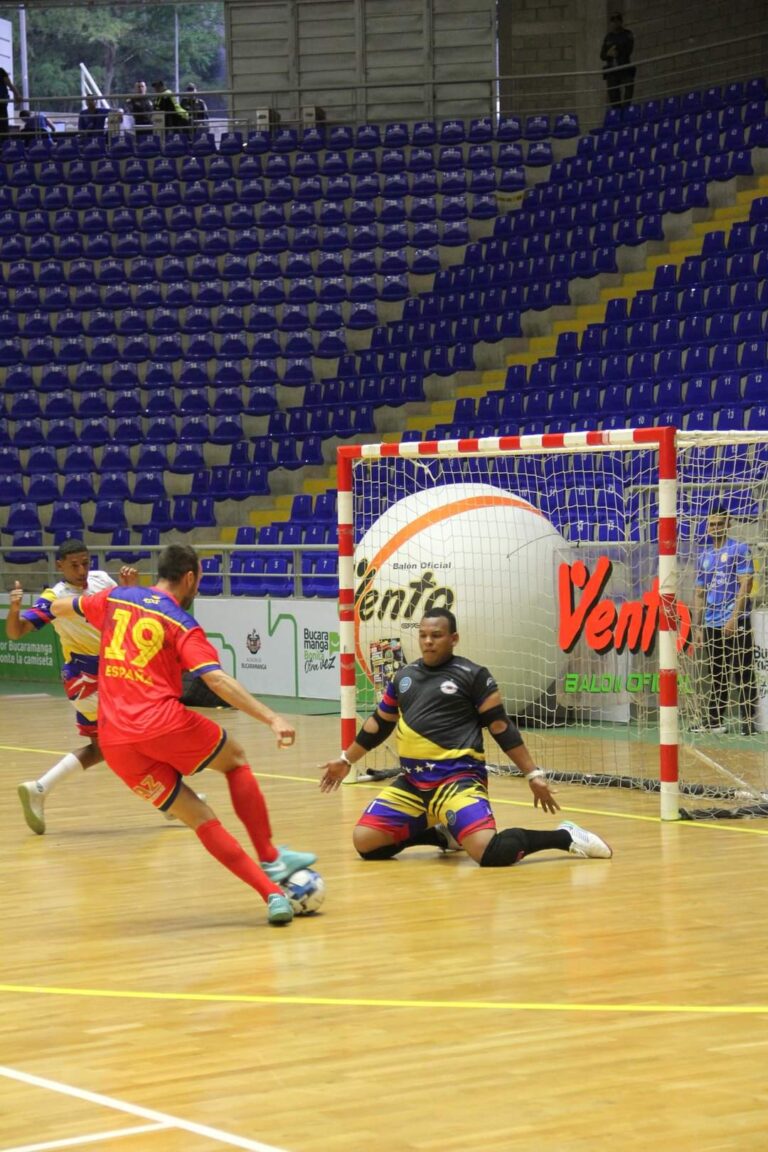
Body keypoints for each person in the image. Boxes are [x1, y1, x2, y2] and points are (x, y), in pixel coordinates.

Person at [49, 543, 315, 926]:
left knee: (199, 818)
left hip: (115, 741)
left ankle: (273, 896)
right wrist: (271, 718)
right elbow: (216, 680)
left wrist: (43, 611)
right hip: (163, 723)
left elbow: (61, 607)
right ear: (190, 577)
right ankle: (271, 858)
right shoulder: (180, 621)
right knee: (235, 760)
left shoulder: (115, 598)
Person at [319, 609, 612, 867]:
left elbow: (501, 727)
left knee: (488, 853)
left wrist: (532, 774)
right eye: (423, 635)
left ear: (454, 638)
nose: (428, 641)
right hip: (412, 783)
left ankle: (565, 836)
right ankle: (444, 835)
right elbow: (378, 724)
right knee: (366, 843)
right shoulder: (404, 677)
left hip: (457, 781)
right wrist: (346, 760)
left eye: (436, 635)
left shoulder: (473, 675)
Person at [6, 540, 138, 835]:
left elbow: (126, 616)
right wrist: (15, 609)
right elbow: (16, 632)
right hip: (86, 678)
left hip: (110, 675)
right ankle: (173, 802)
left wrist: (129, 589)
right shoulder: (55, 598)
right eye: (74, 565)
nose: (81, 570)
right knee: (139, 735)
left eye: (85, 563)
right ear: (60, 566)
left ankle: (39, 788)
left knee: (100, 749)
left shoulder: (102, 580)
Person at [693, 506, 758, 736]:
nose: (715, 528)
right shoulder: (704, 556)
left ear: (728, 524)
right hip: (711, 622)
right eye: (712, 524)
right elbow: (699, 593)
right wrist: (698, 627)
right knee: (717, 673)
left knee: (743, 672)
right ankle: (714, 721)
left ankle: (748, 723)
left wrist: (733, 618)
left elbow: (745, 585)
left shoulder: (739, 549)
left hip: (735, 621)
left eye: (720, 523)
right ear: (707, 527)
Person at [600, 12, 635, 111]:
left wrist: (617, 51)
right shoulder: (608, 37)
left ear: (621, 22)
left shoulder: (627, 34)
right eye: (613, 21)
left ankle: (626, 110)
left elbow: (629, 49)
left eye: (617, 20)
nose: (615, 23)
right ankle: (617, 113)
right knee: (613, 97)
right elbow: (602, 55)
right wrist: (608, 54)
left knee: (628, 89)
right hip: (612, 70)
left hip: (624, 67)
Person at [0, 67, 21, 138]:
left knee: (3, 123)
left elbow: (10, 84)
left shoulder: (1, 71)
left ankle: (4, 140)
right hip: (2, 101)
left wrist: (17, 94)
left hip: (2, 102)